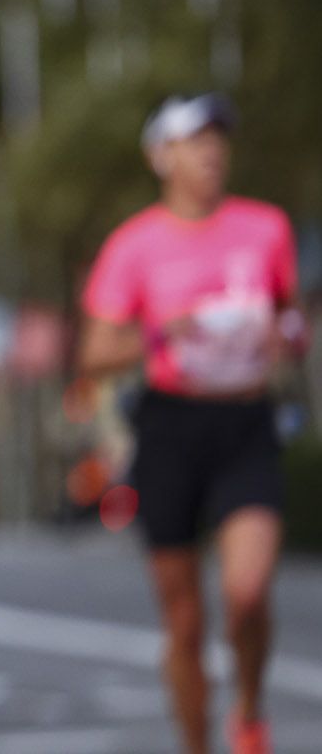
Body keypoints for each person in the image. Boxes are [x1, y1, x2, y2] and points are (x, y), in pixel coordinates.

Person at [77, 94, 307, 754]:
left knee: (247, 590)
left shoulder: (266, 228)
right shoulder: (134, 244)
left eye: (217, 139)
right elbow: (94, 354)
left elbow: (293, 323)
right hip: (171, 430)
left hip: (245, 425)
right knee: (183, 622)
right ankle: (197, 744)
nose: (210, 151)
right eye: (193, 140)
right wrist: (161, 332)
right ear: (162, 157)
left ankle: (251, 713)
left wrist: (282, 336)